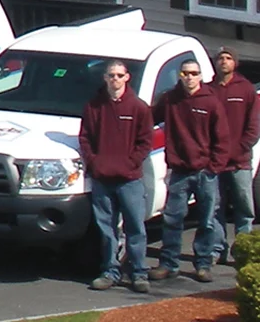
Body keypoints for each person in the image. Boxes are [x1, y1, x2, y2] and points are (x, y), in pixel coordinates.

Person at [151, 58, 230, 282]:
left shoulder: (211, 102)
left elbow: (222, 138)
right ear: (180, 76)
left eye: (194, 73)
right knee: (172, 219)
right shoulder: (170, 99)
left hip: (205, 172)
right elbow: (148, 119)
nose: (189, 77)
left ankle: (203, 264)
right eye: (185, 73)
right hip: (179, 171)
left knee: (206, 221)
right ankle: (169, 264)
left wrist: (213, 167)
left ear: (201, 76)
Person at [83, 59, 155, 292]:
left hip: (130, 180)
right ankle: (110, 272)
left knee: (135, 228)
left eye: (119, 75)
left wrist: (131, 163)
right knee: (107, 229)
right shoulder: (94, 106)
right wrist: (95, 163)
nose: (115, 79)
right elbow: (85, 138)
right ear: (105, 78)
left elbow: (146, 142)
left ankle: (139, 273)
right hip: (102, 180)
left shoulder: (139, 108)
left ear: (127, 78)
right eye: (111, 75)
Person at [212, 48, 259, 260]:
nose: (224, 61)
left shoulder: (246, 89)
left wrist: (241, 148)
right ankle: (217, 250)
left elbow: (254, 126)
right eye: (220, 58)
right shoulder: (208, 89)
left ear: (235, 63)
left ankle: (242, 251)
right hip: (214, 162)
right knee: (215, 208)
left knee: (244, 208)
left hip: (240, 162)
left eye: (228, 58)